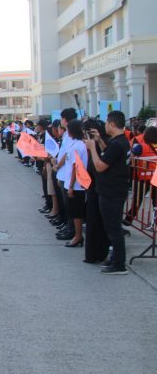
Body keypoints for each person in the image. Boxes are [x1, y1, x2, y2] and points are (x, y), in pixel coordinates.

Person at [84, 111, 130, 275]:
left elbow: (100, 166)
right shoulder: (120, 141)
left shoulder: (117, 144)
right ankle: (116, 258)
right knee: (112, 227)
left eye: (106, 123)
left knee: (114, 229)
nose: (104, 126)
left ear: (111, 124)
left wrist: (92, 148)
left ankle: (119, 264)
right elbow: (108, 155)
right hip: (115, 190)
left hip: (112, 192)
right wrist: (99, 141)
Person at [82, 118, 110, 264]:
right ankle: (94, 254)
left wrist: (94, 146)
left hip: (101, 189)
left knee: (100, 223)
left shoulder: (110, 144)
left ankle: (100, 253)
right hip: (93, 188)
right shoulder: (98, 144)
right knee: (93, 221)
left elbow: (99, 166)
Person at [63, 120, 87, 247]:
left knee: (76, 213)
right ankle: (77, 235)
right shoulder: (76, 144)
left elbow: (75, 167)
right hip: (73, 183)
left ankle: (78, 236)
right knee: (73, 211)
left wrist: (71, 186)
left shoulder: (78, 146)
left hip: (77, 185)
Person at [54, 108, 77, 240]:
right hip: (64, 173)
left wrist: (58, 165)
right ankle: (69, 226)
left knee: (70, 205)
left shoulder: (70, 135)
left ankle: (72, 229)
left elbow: (67, 154)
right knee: (66, 204)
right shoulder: (67, 134)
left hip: (67, 173)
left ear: (65, 119)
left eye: (62, 118)